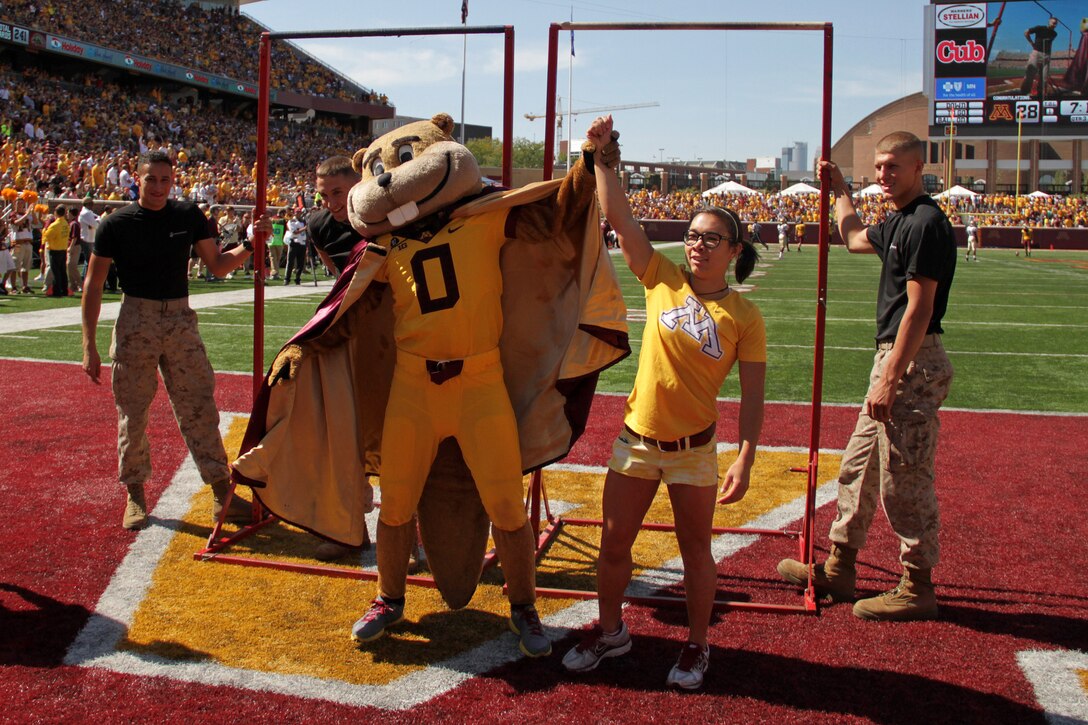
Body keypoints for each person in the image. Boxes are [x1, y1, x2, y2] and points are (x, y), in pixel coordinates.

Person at [562, 116, 765, 690]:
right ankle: (610, 632)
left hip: (694, 450)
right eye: (695, 236)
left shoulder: (746, 318)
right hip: (635, 440)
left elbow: (752, 398)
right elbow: (620, 219)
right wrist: (604, 160)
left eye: (712, 239)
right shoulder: (661, 278)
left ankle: (698, 647)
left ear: (734, 250)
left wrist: (746, 455)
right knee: (613, 543)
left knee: (696, 553)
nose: (699, 245)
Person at [777, 131, 957, 621]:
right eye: (879, 166)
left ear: (919, 167)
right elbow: (854, 237)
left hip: (911, 360)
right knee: (857, 467)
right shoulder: (898, 220)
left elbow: (919, 311)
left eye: (893, 166)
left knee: (905, 477)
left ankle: (917, 584)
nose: (883, 175)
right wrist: (838, 190)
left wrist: (890, 376)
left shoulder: (925, 223)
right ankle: (840, 566)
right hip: (893, 360)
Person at [81, 151, 263, 530]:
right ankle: (134, 492)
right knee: (133, 411)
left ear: (173, 180)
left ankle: (220, 491)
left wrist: (249, 244)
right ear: (137, 179)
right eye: (152, 180)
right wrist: (89, 344)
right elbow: (93, 284)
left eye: (165, 180)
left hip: (180, 318)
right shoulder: (116, 223)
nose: (159, 187)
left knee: (198, 403)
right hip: (136, 321)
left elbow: (217, 265)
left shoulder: (187, 216)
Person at [307, 155, 362, 276]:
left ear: (358, 185)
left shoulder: (382, 217)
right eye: (324, 195)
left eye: (337, 193)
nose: (330, 204)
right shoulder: (319, 225)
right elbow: (338, 274)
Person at [1021, 17, 1059, 97]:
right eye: (1053, 22)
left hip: (1047, 55)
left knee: (1044, 78)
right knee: (1030, 75)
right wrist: (1031, 43)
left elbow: (1050, 43)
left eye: (1055, 23)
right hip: (1037, 53)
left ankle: (1040, 94)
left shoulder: (1054, 34)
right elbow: (1026, 32)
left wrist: (1049, 55)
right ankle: (1024, 93)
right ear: (1049, 22)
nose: (1054, 24)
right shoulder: (1040, 28)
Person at [42, 205, 69, 297]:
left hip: (54, 249)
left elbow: (47, 235)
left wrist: (44, 229)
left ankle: (57, 291)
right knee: (62, 271)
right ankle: (64, 290)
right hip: (63, 248)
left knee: (55, 271)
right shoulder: (65, 223)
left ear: (56, 213)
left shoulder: (55, 225)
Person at [283, 209, 308, 285]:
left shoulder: (303, 221)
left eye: (299, 212)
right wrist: (304, 228)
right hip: (294, 242)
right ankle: (287, 278)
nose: (298, 214)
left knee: (300, 262)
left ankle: (298, 278)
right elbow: (294, 232)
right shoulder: (291, 221)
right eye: (297, 212)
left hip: (302, 242)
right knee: (290, 261)